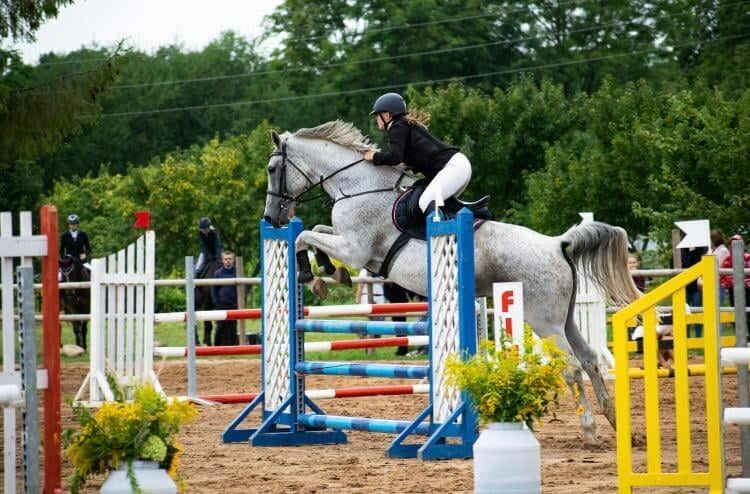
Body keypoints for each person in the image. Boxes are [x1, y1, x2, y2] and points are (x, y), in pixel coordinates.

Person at [362, 92, 472, 217]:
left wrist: (374, 156)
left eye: (378, 115)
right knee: (435, 203)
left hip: (452, 168)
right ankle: (476, 216)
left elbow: (395, 158)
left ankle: (439, 230)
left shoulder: (397, 127)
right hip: (456, 166)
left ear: (387, 115)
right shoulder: (403, 125)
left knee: (426, 201)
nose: (377, 119)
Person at [211, 251, 239, 346]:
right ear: (223, 260)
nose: (228, 261)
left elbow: (243, 289)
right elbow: (214, 290)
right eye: (226, 259)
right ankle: (216, 347)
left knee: (233, 328)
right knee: (219, 327)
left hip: (234, 305)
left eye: (230, 259)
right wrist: (216, 303)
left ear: (233, 260)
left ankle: (233, 347)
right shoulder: (217, 274)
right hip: (221, 305)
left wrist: (239, 303)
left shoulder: (238, 272)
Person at [681, 242, 708, 337]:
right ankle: (686, 336)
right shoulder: (683, 249)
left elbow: (700, 263)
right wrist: (690, 251)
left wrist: (693, 251)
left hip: (697, 286)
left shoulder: (702, 248)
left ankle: (698, 336)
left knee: (698, 311)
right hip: (684, 285)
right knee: (685, 311)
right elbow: (685, 263)